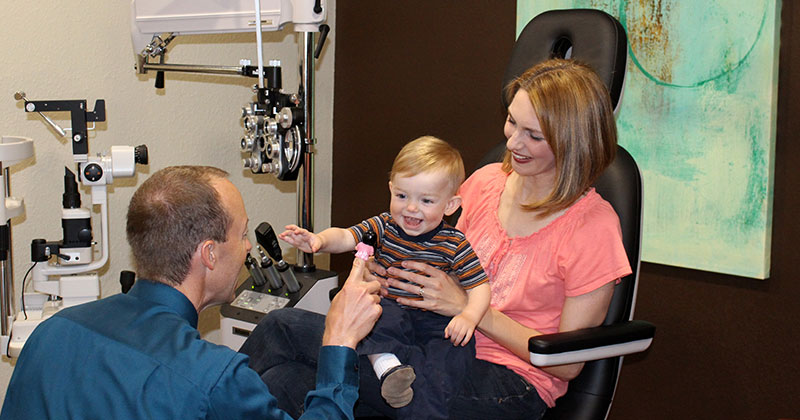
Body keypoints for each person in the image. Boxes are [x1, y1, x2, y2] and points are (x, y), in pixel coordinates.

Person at [241, 58, 631, 419]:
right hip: (428, 341)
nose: (512, 143)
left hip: (509, 381)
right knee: (281, 364)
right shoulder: (487, 182)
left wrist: (467, 306)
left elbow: (566, 362)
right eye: (512, 122)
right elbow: (440, 257)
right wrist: (393, 271)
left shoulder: (593, 228)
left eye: (534, 136)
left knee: (286, 348)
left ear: (571, 141)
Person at [0, 166, 382, 420]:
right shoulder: (213, 379)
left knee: (281, 343)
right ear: (210, 254)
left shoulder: (53, 332)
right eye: (243, 234)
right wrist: (339, 341)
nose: (248, 247)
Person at [276, 136, 490, 419]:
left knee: (451, 356)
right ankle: (387, 366)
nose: (411, 208)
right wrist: (318, 241)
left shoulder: (454, 243)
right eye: (402, 196)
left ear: (450, 205)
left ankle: (422, 406)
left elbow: (480, 287)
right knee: (372, 312)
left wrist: (469, 317)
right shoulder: (383, 226)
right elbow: (346, 236)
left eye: (426, 200)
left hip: (436, 321)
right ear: (391, 189)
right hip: (392, 308)